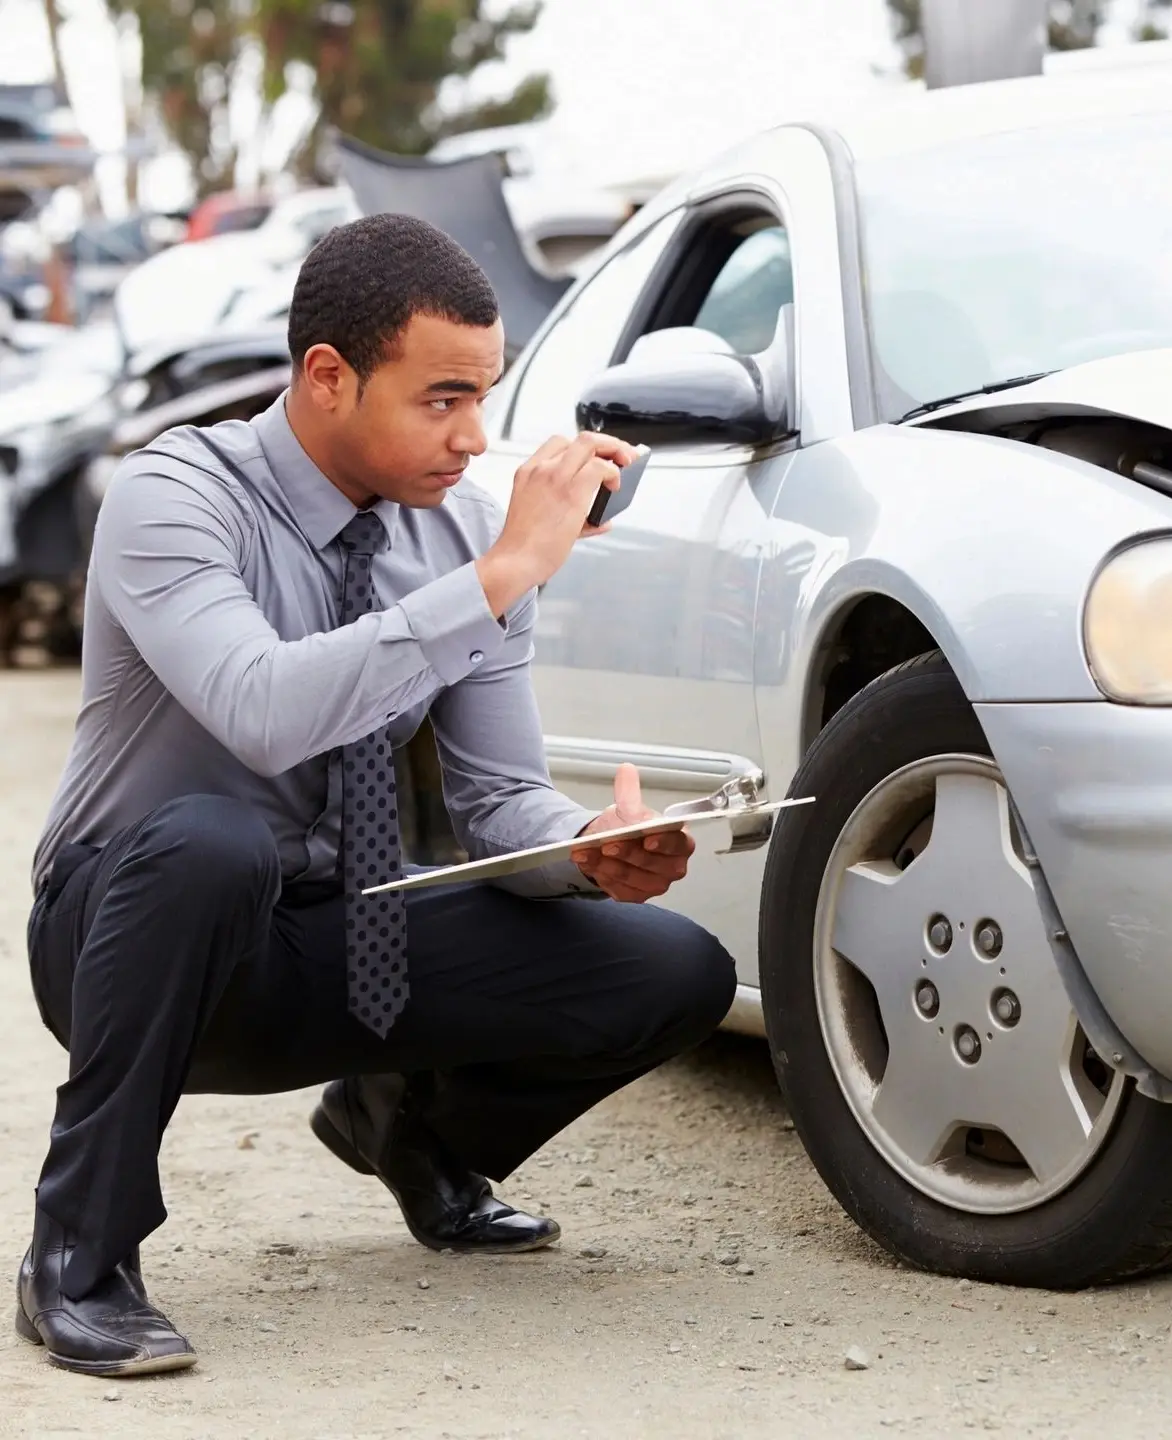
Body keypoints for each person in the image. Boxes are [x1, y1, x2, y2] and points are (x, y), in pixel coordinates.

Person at [18, 213, 737, 1379]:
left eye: (484, 397)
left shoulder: (455, 530)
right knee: (217, 840)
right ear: (327, 377)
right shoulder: (174, 497)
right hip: (132, 939)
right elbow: (261, 711)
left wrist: (590, 846)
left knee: (673, 968)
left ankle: (403, 1129)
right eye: (441, 398)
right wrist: (496, 577)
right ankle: (76, 1261)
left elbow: (502, 805)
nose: (473, 436)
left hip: (343, 940)